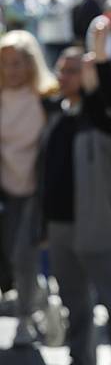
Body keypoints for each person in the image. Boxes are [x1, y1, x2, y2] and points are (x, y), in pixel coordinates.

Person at [39, 46, 111, 365]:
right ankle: (81, 361)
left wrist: (98, 78)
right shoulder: (54, 115)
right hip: (59, 225)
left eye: (73, 70)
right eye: (61, 69)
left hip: (95, 225)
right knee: (74, 302)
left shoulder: (102, 120)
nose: (63, 77)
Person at [0, 30, 57, 345]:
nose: (11, 70)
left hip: (36, 191)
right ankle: (35, 295)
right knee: (9, 255)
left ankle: (25, 316)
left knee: (24, 254)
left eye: (18, 63)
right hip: (6, 191)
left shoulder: (46, 100)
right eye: (5, 63)